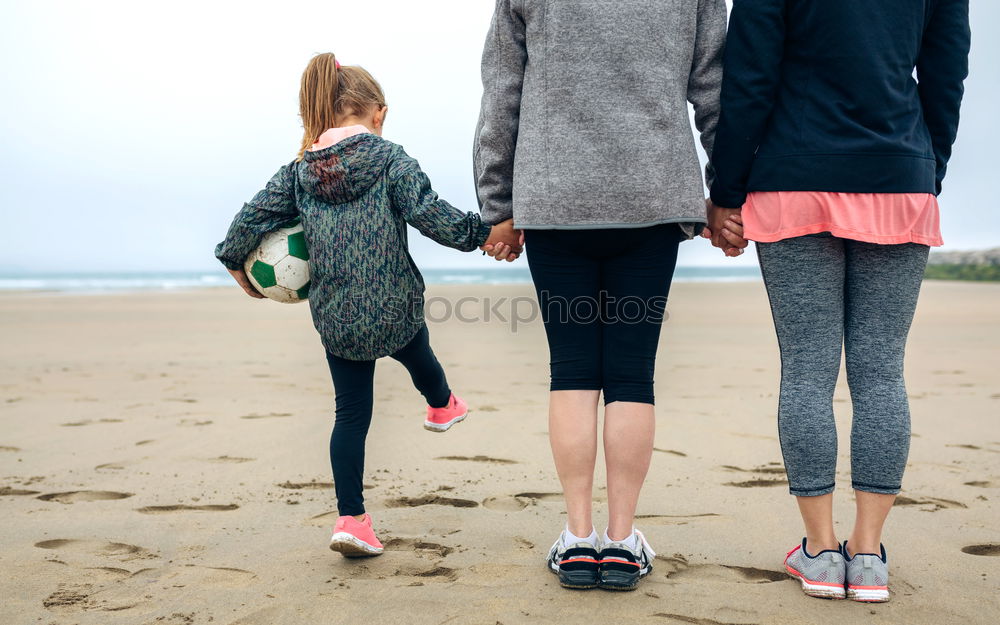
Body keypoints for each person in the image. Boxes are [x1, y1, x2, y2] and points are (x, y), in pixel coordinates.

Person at [706, 0, 970, 602]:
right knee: (881, 370)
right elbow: (947, 70)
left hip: (792, 175)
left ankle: (822, 552)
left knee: (807, 367)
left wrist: (725, 189)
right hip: (898, 173)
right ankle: (870, 555)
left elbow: (750, 75)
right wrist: (927, 167)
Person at [215, 52, 523, 558]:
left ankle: (352, 520)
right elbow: (434, 218)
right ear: (375, 112)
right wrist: (486, 234)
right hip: (394, 310)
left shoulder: (298, 173)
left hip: (337, 322)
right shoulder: (391, 159)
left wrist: (234, 262)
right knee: (418, 354)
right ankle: (443, 405)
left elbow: (249, 219)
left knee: (351, 417)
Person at [475, 0, 734, 591]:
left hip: (555, 198)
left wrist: (498, 204)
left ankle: (577, 537)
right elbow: (715, 89)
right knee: (631, 374)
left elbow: (501, 91)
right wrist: (726, 191)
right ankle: (620, 542)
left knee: (571, 371)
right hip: (652, 196)